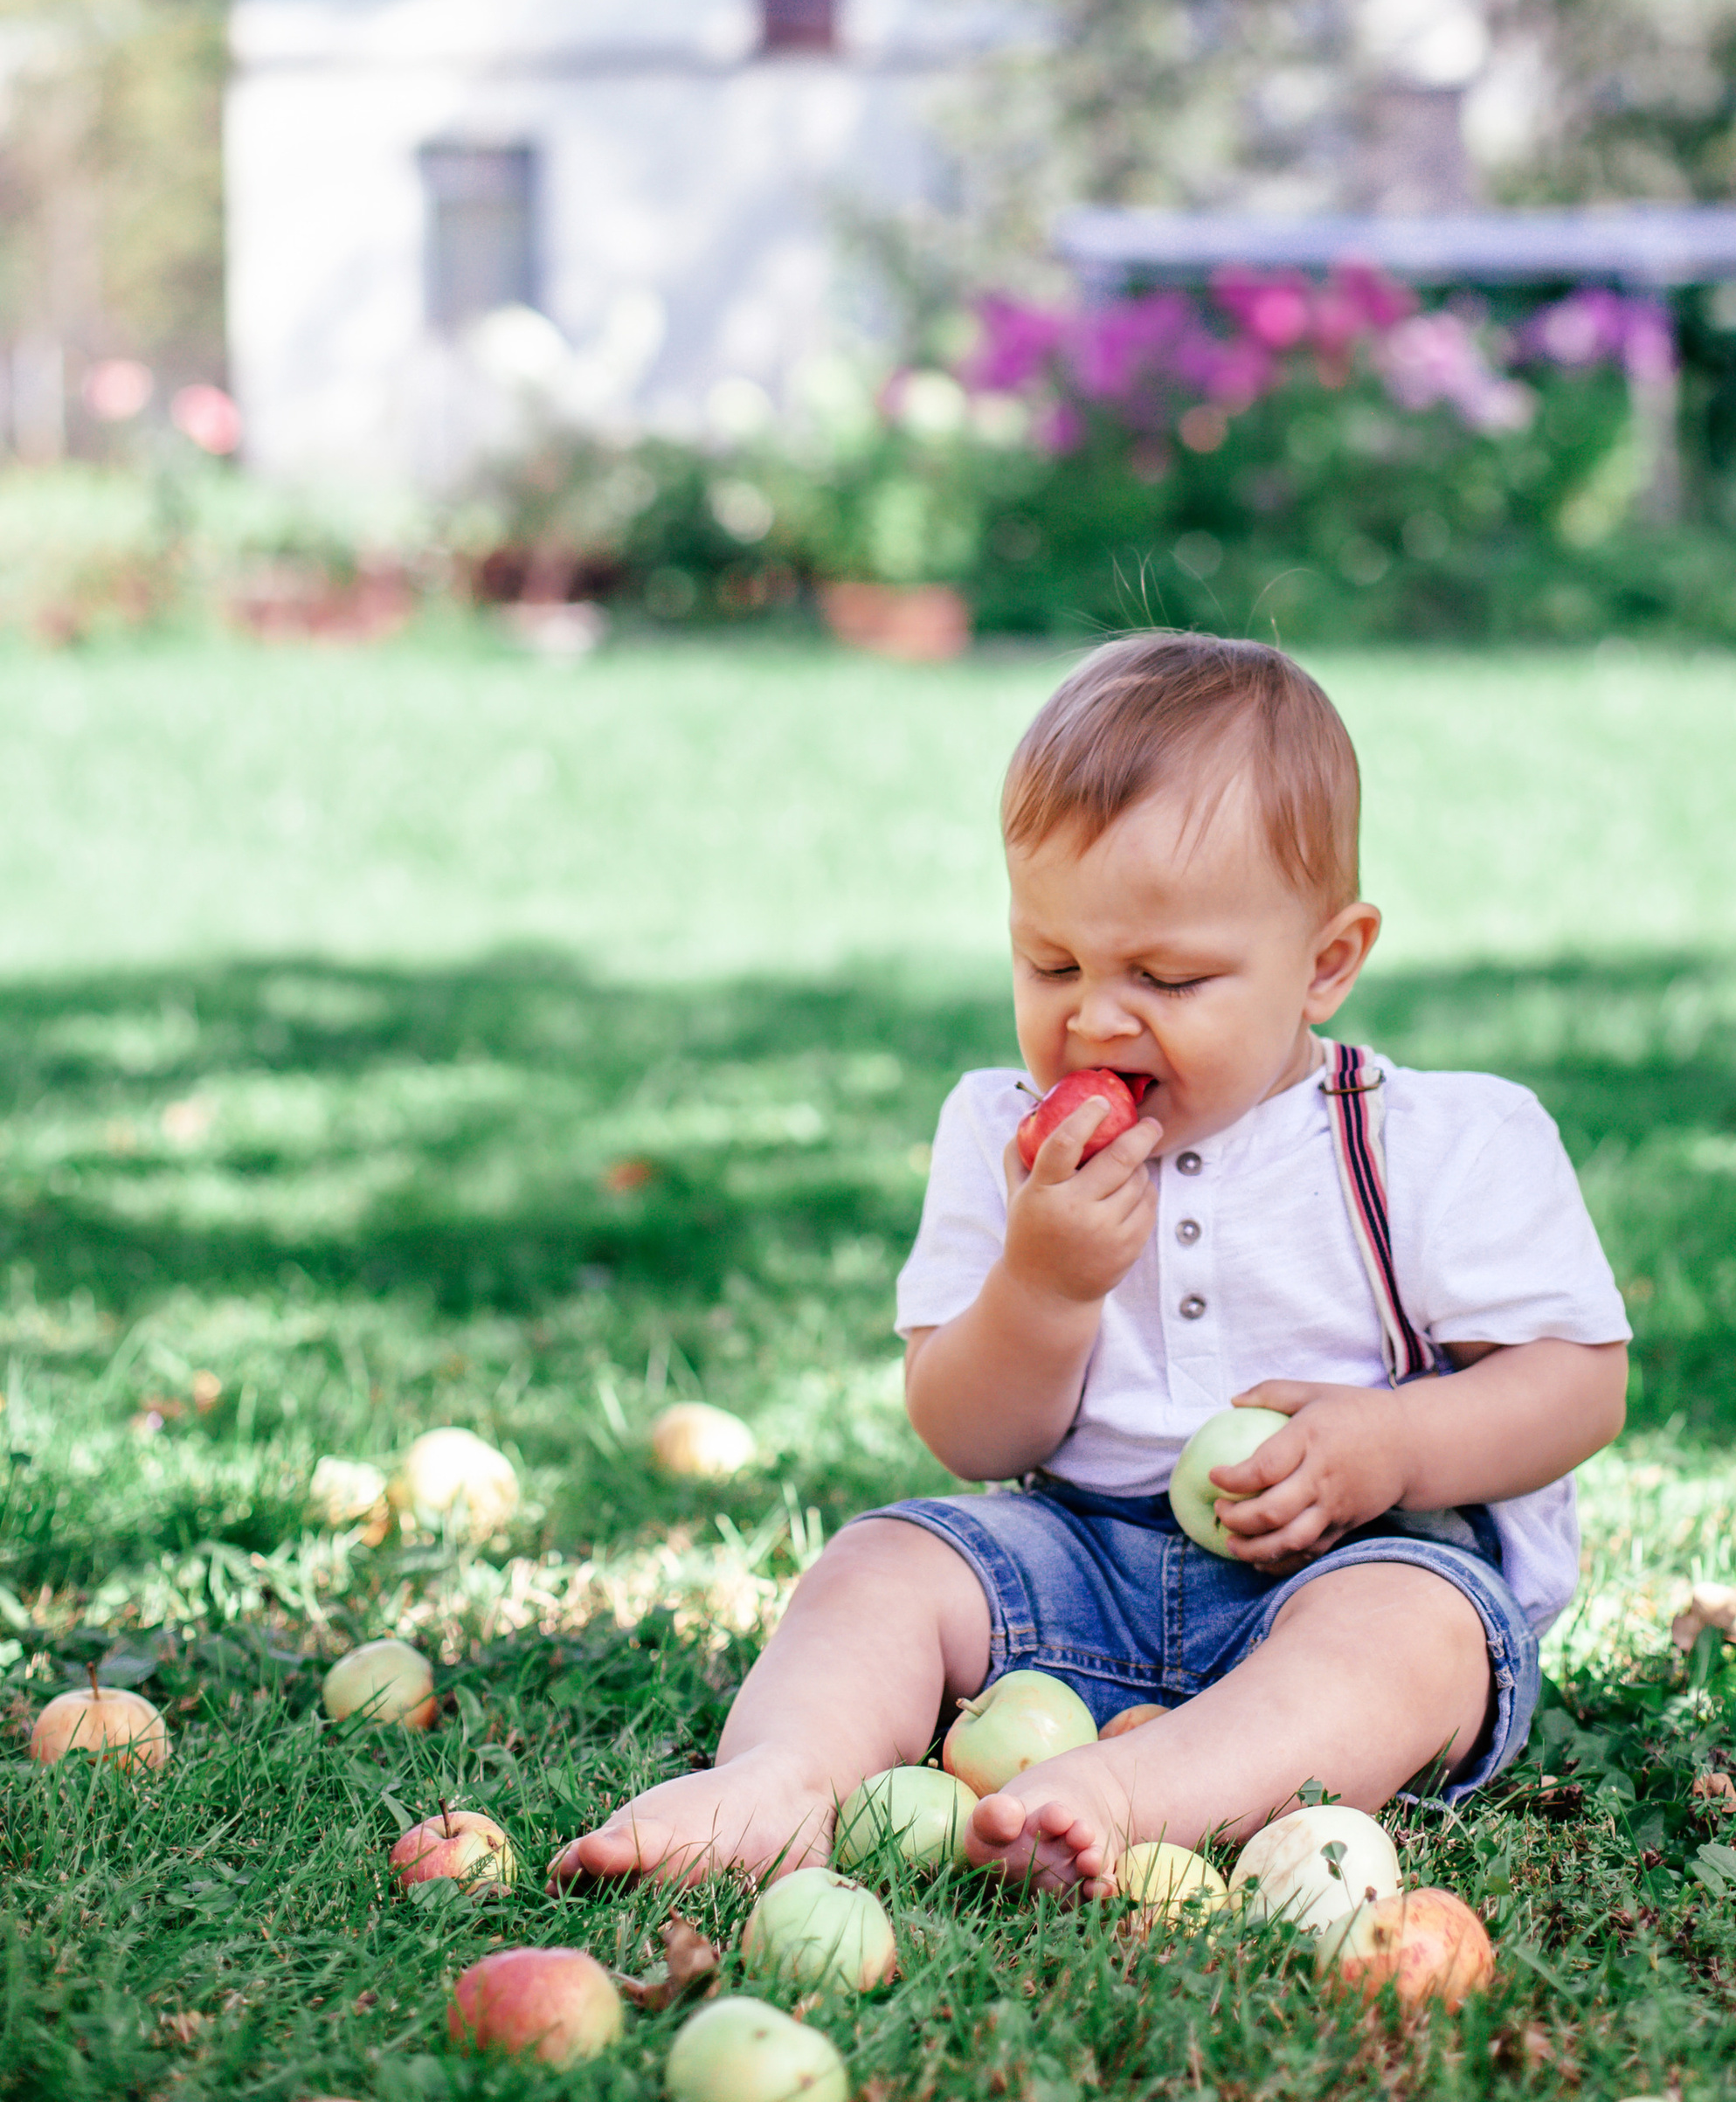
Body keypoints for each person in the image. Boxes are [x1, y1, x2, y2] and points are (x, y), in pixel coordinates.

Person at [553, 632, 1628, 1897]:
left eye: (1168, 977)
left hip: (1355, 1565)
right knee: (883, 1565)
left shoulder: (1440, 1143)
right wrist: (1042, 1282)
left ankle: (1136, 1793)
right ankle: (784, 1780)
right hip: (1076, 1573)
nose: (1096, 1019)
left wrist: (1388, 1449)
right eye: (1052, 963)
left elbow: (1577, 1387)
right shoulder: (1001, 1135)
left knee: (1415, 1641)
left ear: (1326, 964)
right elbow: (970, 1434)